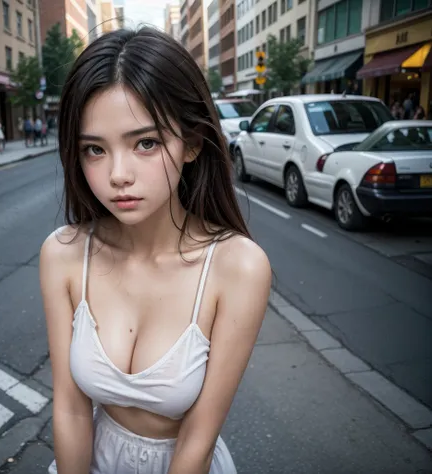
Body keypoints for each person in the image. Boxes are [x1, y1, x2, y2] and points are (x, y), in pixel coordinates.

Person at [40, 27, 271, 474]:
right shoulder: (64, 255)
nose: (118, 175)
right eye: (94, 149)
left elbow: (198, 441)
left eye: (145, 143)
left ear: (191, 144)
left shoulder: (237, 267)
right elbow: (69, 409)